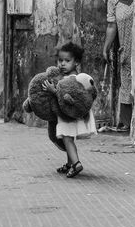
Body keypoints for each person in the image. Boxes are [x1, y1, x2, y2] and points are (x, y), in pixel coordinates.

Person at [42, 42, 97, 178]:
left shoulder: (73, 80)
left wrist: (53, 91)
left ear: (76, 62)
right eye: (60, 60)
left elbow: (65, 96)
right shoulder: (67, 78)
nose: (62, 64)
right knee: (68, 138)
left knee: (67, 139)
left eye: (67, 61)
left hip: (69, 116)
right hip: (66, 115)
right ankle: (69, 164)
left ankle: (76, 164)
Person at [102, 0, 134, 132]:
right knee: (126, 81)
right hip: (125, 47)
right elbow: (111, 25)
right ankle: (126, 122)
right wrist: (106, 47)